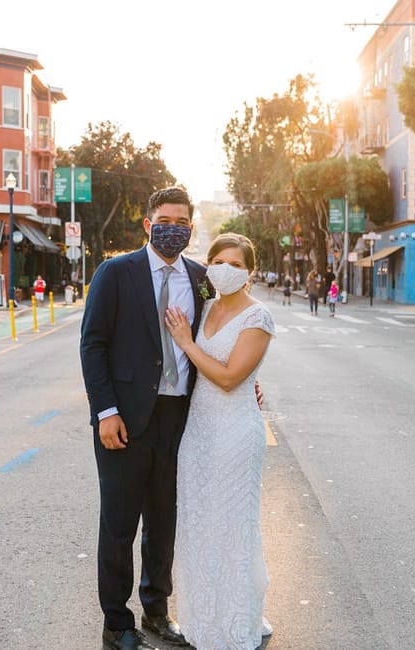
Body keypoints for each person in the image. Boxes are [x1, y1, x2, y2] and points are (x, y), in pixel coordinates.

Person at [80, 187, 207, 650]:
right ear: (148, 224)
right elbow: (93, 344)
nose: (174, 228)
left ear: (190, 227)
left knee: (163, 519)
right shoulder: (115, 272)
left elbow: (215, 340)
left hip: (179, 417)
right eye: (165, 219)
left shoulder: (201, 277)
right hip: (126, 419)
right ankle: (116, 622)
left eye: (183, 221)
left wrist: (247, 380)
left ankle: (156, 610)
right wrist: (106, 412)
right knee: (119, 524)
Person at [163, 232, 275, 650]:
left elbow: (230, 378)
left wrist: (187, 343)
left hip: (234, 434)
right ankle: (203, 616)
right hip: (199, 432)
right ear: (208, 265)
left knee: (231, 526)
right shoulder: (205, 307)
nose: (225, 269)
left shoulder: (258, 317)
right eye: (218, 261)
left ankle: (232, 622)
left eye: (235, 263)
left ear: (249, 272)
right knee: (200, 524)